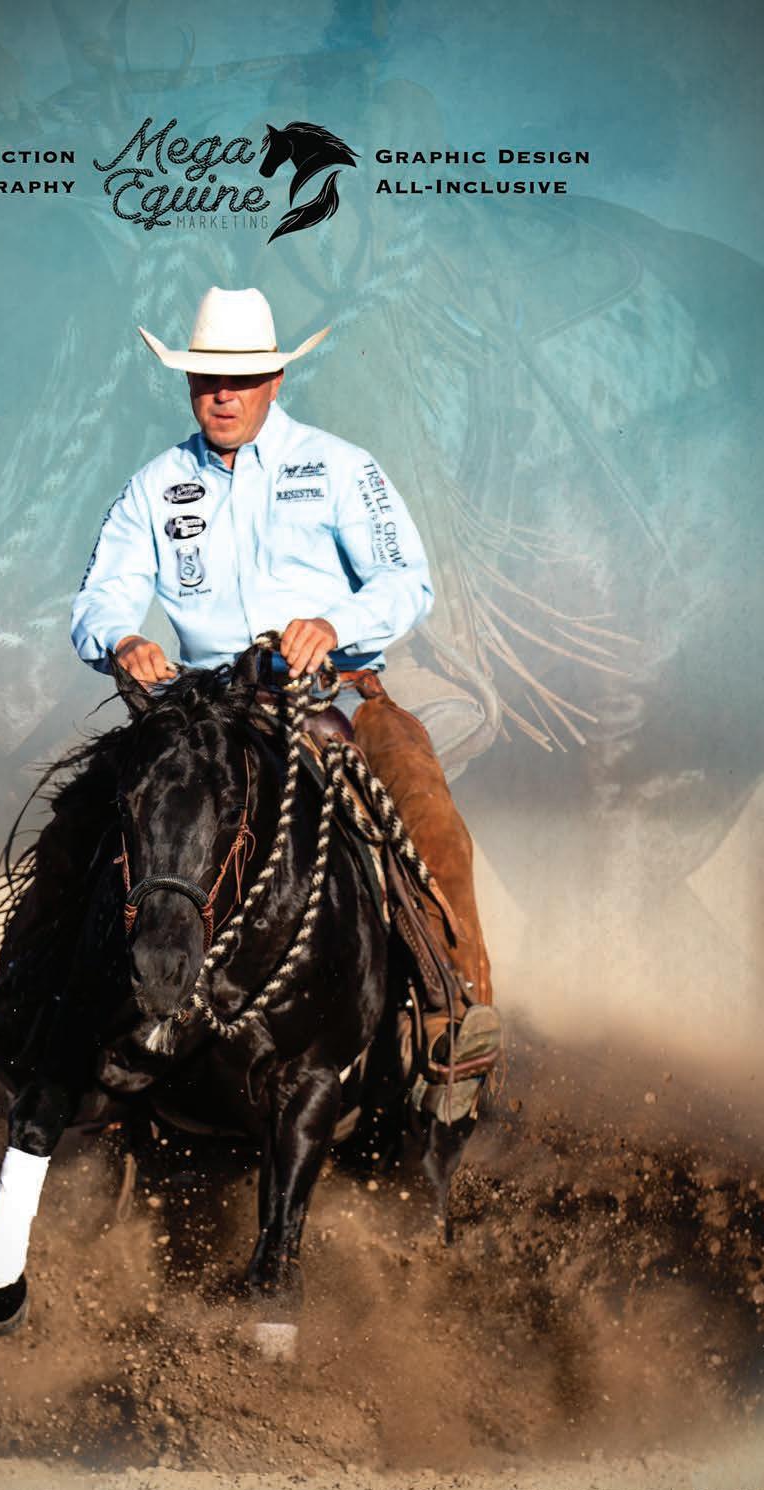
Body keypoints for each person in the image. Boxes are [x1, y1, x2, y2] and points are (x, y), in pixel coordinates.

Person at [69, 285, 501, 1110]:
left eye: (240, 380)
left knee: (425, 817)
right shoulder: (155, 486)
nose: (222, 396)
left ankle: (453, 1019)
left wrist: (334, 625)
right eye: (206, 380)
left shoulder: (340, 467)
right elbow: (99, 596)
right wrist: (121, 641)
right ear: (188, 383)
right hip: (202, 713)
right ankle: (32, 1013)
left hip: (328, 703)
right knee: (84, 816)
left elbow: (405, 582)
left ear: (274, 380)